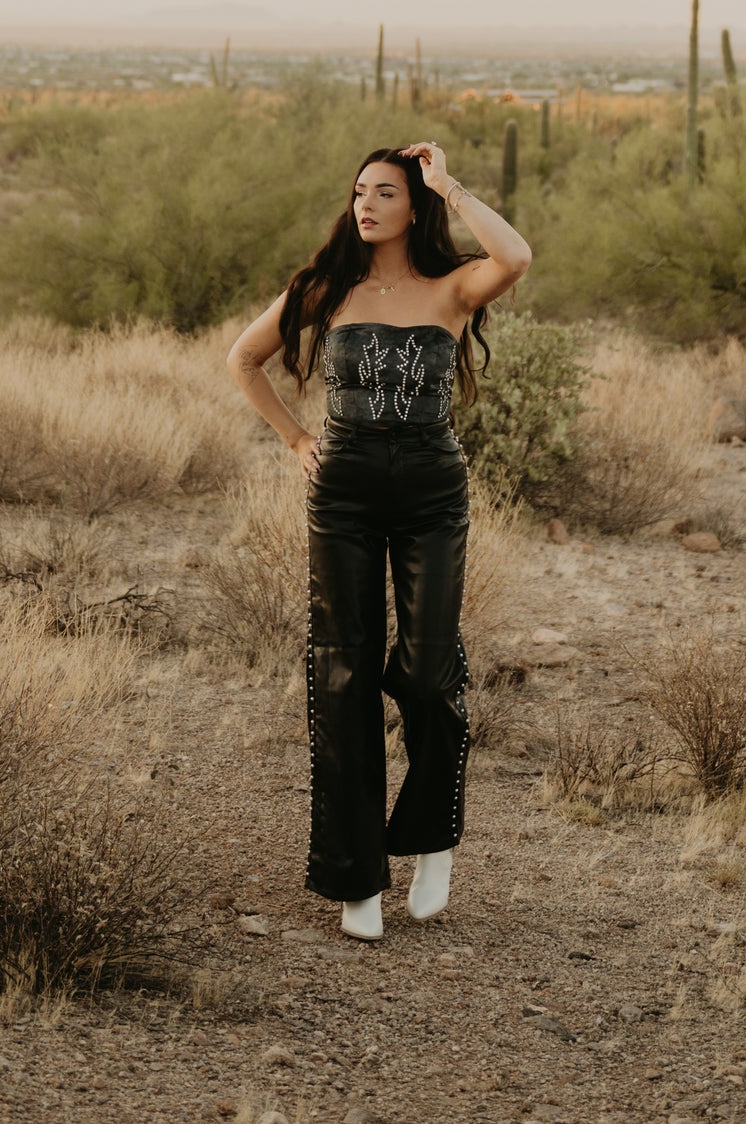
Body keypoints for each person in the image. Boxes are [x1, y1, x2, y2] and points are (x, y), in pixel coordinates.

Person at [226, 137, 531, 939]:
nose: (366, 203)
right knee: (342, 674)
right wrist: (296, 439)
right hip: (345, 489)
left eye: (385, 192)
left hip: (432, 487)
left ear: (413, 205)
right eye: (360, 191)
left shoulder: (452, 288)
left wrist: (449, 184)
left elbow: (516, 254)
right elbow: (244, 358)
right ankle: (355, 872)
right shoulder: (322, 287)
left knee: (429, 674)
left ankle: (431, 837)